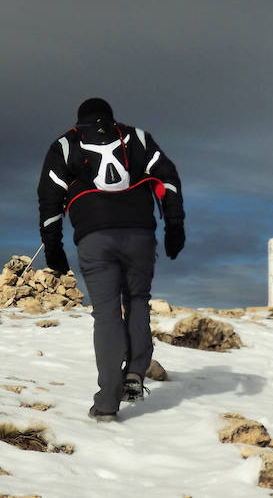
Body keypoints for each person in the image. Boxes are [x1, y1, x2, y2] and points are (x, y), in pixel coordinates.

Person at [37, 97, 185, 422]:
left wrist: (53, 246)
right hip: (139, 235)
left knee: (106, 314)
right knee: (137, 300)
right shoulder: (137, 138)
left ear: (81, 120)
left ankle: (106, 403)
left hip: (94, 237)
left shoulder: (65, 144)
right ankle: (135, 372)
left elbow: (49, 196)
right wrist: (175, 226)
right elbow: (169, 176)